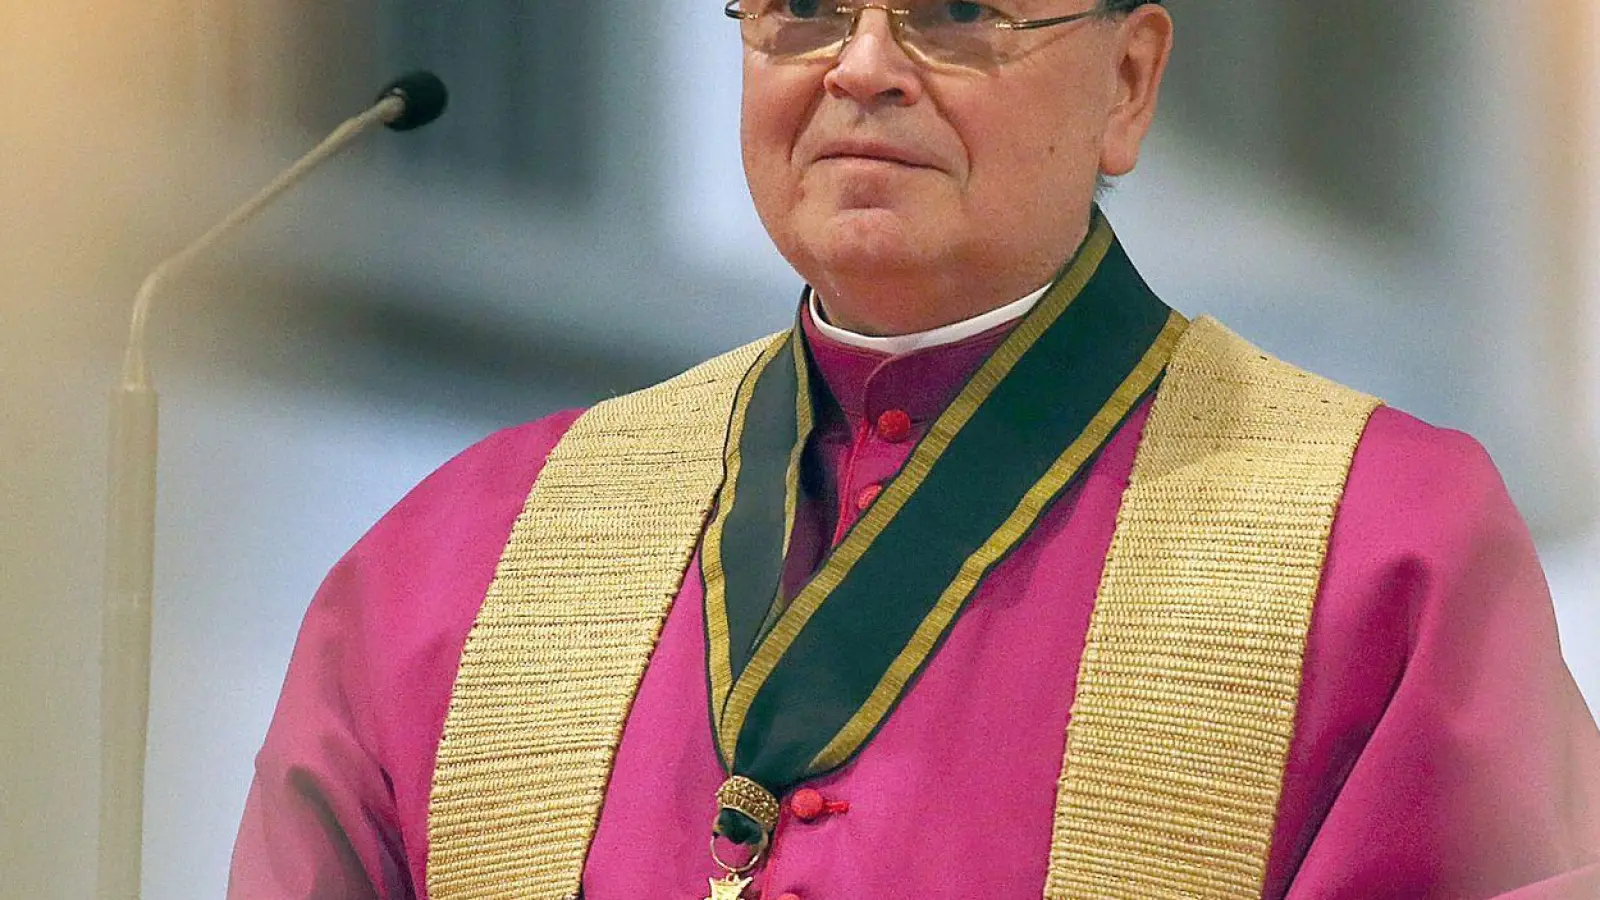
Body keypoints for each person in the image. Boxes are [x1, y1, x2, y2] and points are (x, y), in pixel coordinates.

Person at [229, 1, 1600, 897]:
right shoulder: (451, 562)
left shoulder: (1381, 544)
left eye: (953, 15)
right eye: (804, 15)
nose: (864, 66)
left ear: (1130, 78)